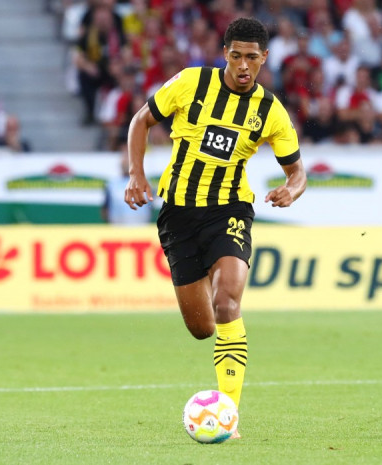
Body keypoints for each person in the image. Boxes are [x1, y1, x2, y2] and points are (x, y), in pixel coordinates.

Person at [123, 17, 306, 438]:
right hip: (178, 215)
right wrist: (136, 173)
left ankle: (230, 415)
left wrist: (291, 191)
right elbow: (140, 121)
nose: (243, 66)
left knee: (227, 304)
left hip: (230, 211)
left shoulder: (270, 111)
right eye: (236, 56)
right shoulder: (192, 82)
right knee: (202, 328)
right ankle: (207, 279)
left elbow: (298, 172)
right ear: (225, 53)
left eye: (252, 58)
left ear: (264, 58)